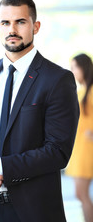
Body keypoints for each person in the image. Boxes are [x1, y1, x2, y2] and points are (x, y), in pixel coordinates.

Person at [0, 0, 79, 222]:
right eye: (6, 22)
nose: (12, 29)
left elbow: (57, 152)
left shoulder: (57, 80)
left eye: (20, 22)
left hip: (33, 212)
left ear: (36, 26)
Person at [66, 53, 93, 222]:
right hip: (79, 148)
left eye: (74, 67)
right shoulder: (82, 91)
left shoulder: (91, 92)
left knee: (81, 193)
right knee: (80, 193)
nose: (72, 72)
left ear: (83, 68)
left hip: (87, 149)